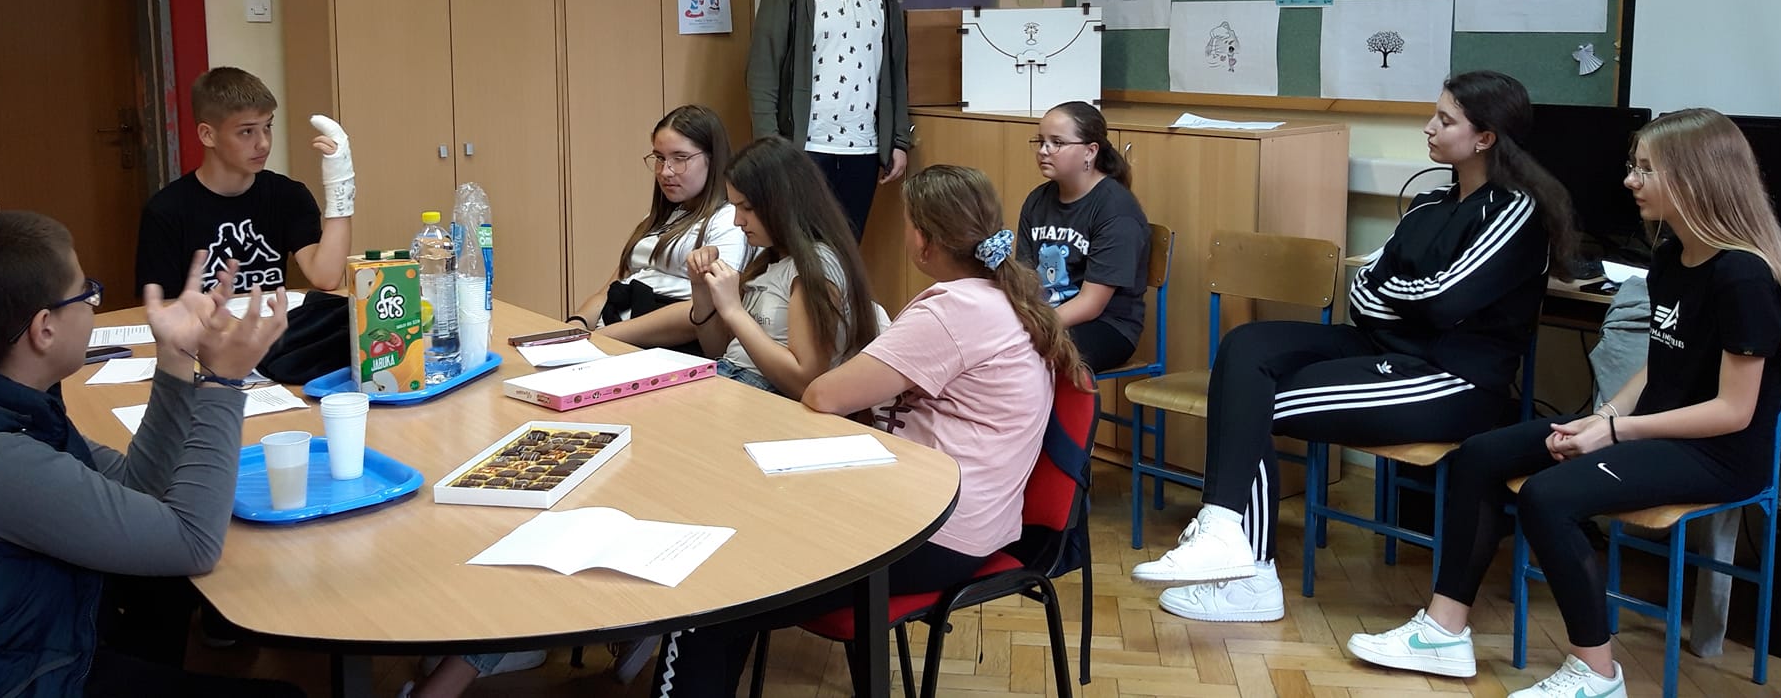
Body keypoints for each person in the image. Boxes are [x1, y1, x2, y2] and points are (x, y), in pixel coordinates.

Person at [1348, 108, 1781, 698]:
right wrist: (1603, 417)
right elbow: (1660, 364)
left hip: (1719, 454)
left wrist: (1613, 434)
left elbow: (1734, 412)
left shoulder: (1743, 276)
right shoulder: (1671, 256)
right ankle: (1444, 630)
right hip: (1653, 432)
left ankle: (1597, 674)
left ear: (1697, 177)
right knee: (1480, 455)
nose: (1631, 181)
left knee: (1549, 496)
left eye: (1646, 170)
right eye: (1633, 166)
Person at [1132, 71, 1577, 624]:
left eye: (1445, 120)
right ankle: (1224, 529)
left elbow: (1443, 300)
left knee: (1250, 405)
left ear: (1484, 138)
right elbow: (1363, 289)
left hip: (1451, 376)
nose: (1429, 127)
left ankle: (1251, 578)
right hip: (1383, 347)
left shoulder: (1515, 210)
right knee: (1247, 346)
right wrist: (1407, 303)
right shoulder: (1428, 203)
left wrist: (1402, 298)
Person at [0, 212, 302, 697]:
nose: (93, 302)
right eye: (86, 293)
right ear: (43, 328)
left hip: (9, 645)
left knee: (162, 593)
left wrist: (175, 357)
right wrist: (223, 383)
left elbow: (138, 490)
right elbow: (193, 542)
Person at [652, 164, 1089, 694]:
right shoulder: (998, 297)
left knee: (717, 595)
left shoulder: (955, 311)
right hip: (958, 517)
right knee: (748, 551)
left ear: (923, 240)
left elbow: (823, 395)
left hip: (932, 530)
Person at [746, 0, 911, 239]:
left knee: (847, 248)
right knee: (803, 246)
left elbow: (896, 69)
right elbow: (763, 72)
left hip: (863, 147)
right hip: (805, 147)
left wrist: (899, 140)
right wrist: (769, 147)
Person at [686, 136, 883, 397]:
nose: (737, 221)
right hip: (730, 376)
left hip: (762, 394)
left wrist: (734, 310)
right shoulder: (769, 259)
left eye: (747, 207)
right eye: (734, 207)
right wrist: (701, 288)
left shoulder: (817, 264)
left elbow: (805, 381)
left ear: (783, 203)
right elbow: (718, 351)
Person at [135, 66, 354, 296]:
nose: (264, 143)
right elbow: (159, 307)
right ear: (208, 135)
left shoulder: (289, 196)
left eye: (267, 127)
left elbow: (326, 277)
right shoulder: (165, 211)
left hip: (272, 318)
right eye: (247, 131)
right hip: (201, 320)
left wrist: (340, 183)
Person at [567, 105, 750, 351]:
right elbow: (610, 289)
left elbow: (708, 311)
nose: (665, 171)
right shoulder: (660, 217)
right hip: (611, 331)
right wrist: (575, 325)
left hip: (662, 347)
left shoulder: (727, 220)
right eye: (660, 158)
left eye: (680, 158)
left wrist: (600, 338)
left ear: (712, 159)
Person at [1017, 101, 1152, 375]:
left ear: (1090, 151)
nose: (1043, 151)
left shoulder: (1116, 209)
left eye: (1056, 143)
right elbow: (1024, 277)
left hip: (1106, 326)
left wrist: (1030, 329)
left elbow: (1091, 304)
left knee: (1025, 355)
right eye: (1041, 141)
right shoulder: (1037, 200)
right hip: (1048, 316)